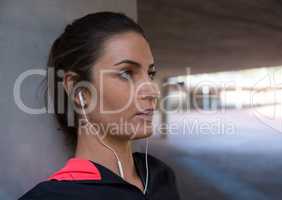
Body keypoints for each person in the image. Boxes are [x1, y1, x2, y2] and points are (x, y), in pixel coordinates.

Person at [18, 11, 181, 200]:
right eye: (126, 73)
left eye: (150, 74)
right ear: (79, 90)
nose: (152, 91)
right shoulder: (51, 197)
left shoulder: (161, 177)